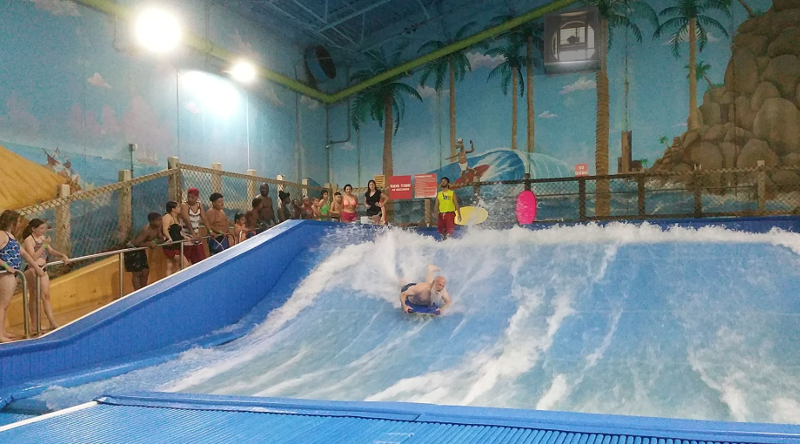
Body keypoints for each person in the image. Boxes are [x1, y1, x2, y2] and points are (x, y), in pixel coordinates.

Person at [0, 211, 45, 342]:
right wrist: (5, 266)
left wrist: (36, 267)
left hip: (12, 274)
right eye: (18, 221)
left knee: (5, 304)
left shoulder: (11, 236)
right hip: (5, 274)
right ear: (11, 222)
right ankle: (0, 334)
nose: (20, 224)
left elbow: (24, 253)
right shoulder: (2, 234)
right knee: (2, 304)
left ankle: (2, 331)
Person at [21, 219, 69, 331]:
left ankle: (52, 322)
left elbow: (51, 251)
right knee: (34, 296)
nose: (44, 231)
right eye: (41, 228)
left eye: (44, 228)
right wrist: (43, 245)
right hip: (33, 269)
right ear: (33, 229)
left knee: (46, 296)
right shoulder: (29, 240)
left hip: (43, 269)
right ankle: (34, 324)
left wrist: (63, 256)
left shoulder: (42, 238)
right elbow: (32, 258)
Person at [125, 212, 165, 292]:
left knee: (145, 271)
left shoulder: (157, 228)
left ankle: (143, 289)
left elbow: (161, 239)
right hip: (132, 249)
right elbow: (136, 242)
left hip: (140, 249)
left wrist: (154, 243)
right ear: (151, 221)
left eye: (161, 220)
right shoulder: (146, 230)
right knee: (137, 273)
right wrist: (148, 244)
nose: (160, 222)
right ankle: (137, 291)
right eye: (158, 220)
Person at [179, 188, 210, 265]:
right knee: (185, 260)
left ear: (197, 197)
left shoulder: (199, 205)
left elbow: (204, 218)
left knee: (201, 259)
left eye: (192, 197)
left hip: (196, 236)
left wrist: (210, 230)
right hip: (186, 235)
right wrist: (193, 234)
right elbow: (187, 220)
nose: (190, 199)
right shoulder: (184, 205)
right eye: (188, 197)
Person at [162, 201, 189, 276]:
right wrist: (169, 238)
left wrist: (184, 237)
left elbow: (177, 232)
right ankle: (174, 279)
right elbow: (165, 229)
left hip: (176, 244)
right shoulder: (167, 217)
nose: (180, 209)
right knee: (185, 264)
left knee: (171, 265)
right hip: (171, 245)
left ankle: (169, 281)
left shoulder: (176, 218)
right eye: (178, 207)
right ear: (173, 209)